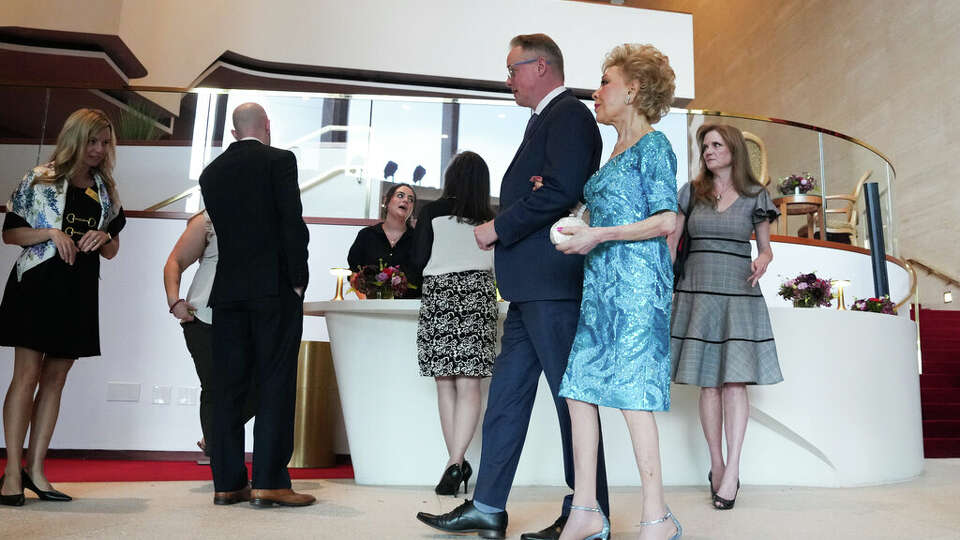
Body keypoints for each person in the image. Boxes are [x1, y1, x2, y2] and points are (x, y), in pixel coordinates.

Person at [417, 33, 609, 540]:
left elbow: (562, 189)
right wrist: (532, 196)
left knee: (573, 403)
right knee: (505, 400)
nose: (508, 81)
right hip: (528, 289)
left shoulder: (569, 115)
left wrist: (499, 226)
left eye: (513, 70)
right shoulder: (545, 120)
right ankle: (487, 507)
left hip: (550, 283)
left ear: (541, 67)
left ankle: (588, 510)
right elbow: (544, 189)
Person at [553, 44, 682, 540]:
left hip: (636, 288)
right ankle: (585, 510)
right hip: (600, 287)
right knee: (578, 392)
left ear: (632, 90)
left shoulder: (655, 146)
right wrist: (578, 223)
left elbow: (667, 219)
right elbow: (604, 209)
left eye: (605, 81)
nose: (595, 91)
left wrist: (598, 235)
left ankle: (657, 518)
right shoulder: (614, 152)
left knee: (633, 397)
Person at [0, 108, 125, 506]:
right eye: (93, 141)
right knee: (27, 375)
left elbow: (113, 251)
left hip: (77, 290)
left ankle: (37, 470)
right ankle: (11, 474)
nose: (100, 149)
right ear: (75, 139)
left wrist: (102, 237)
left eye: (105, 142)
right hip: (36, 285)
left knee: (56, 379)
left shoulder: (106, 189)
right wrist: (51, 233)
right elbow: (10, 235)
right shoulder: (40, 179)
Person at [198, 102, 313, 508]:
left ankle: (227, 484)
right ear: (267, 126)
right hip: (273, 289)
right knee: (274, 383)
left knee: (228, 387)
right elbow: (290, 222)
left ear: (233, 132)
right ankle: (269, 482)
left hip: (227, 292)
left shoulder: (210, 173)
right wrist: (298, 280)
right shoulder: (279, 161)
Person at [667, 123, 782, 511]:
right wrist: (661, 283)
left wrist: (763, 260)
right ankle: (716, 464)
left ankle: (732, 471)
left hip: (738, 290)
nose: (709, 151)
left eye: (716, 144)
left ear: (733, 149)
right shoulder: (690, 193)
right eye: (705, 145)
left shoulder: (756, 195)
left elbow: (766, 249)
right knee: (708, 385)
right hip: (697, 290)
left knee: (735, 383)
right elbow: (672, 242)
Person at [410, 151, 497, 496]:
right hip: (477, 293)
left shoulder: (430, 212)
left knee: (444, 382)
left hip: (440, 294)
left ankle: (454, 463)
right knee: (471, 384)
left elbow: (418, 260)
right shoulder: (490, 218)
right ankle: (455, 461)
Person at [162, 211, 256, 457]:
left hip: (250, 320)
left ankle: (215, 434)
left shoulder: (269, 214)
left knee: (261, 387)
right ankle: (223, 469)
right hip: (204, 318)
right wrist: (174, 301)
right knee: (215, 390)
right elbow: (175, 261)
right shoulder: (208, 218)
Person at [346, 183, 420, 297]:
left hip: (407, 310)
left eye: (411, 199)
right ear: (387, 201)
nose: (406, 200)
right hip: (370, 308)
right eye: (400, 196)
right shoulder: (366, 235)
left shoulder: (418, 240)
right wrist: (366, 301)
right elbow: (353, 272)